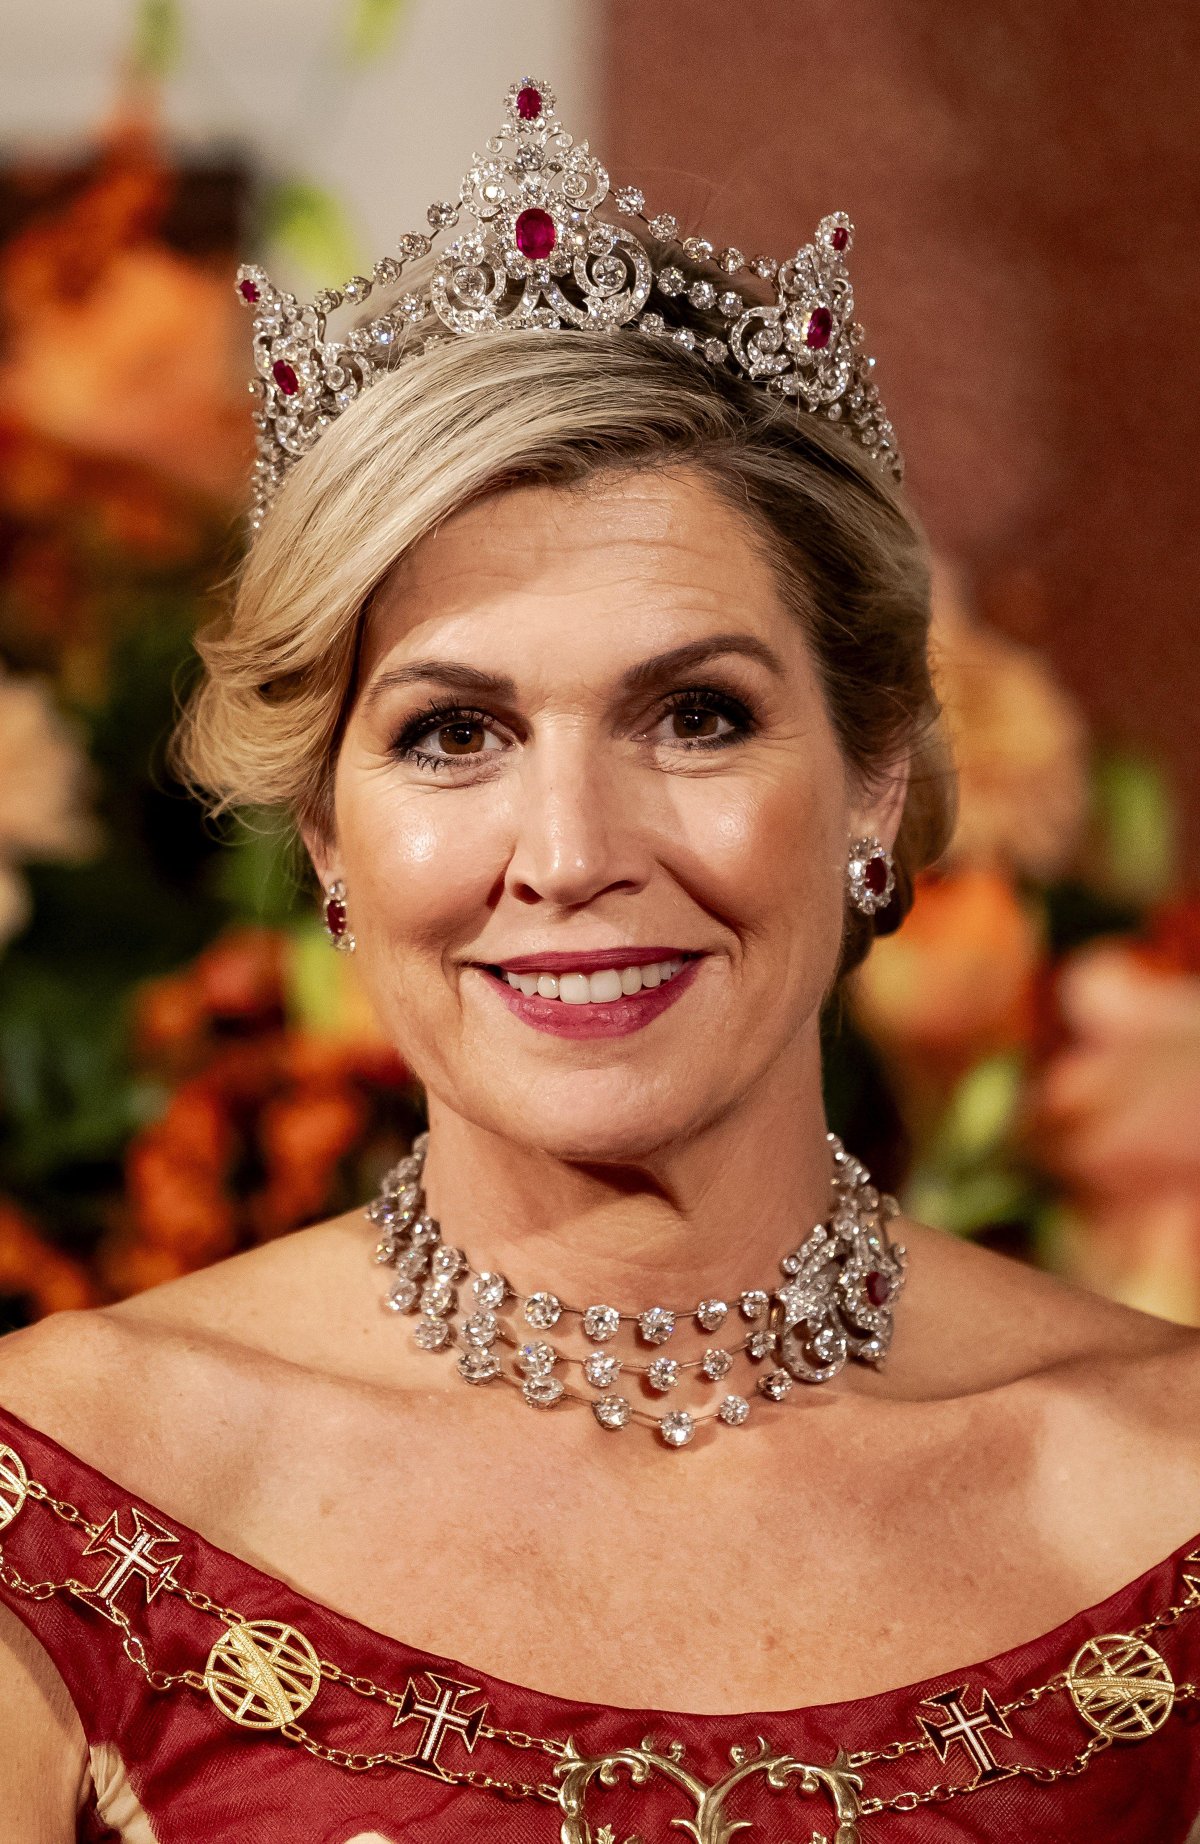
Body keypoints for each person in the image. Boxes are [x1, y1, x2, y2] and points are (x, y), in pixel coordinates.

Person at [1, 76, 1198, 1844]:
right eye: (451, 735)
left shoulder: (1163, 1503)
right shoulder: (72, 1508)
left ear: (875, 777)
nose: (568, 855)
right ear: (325, 832)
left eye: (697, 716)